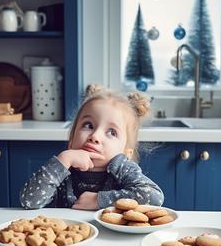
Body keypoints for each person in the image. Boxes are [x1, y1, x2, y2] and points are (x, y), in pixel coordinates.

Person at [20, 85, 164, 210]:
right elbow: (28, 201)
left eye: (111, 132)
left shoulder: (123, 168)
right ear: (71, 140)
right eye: (88, 125)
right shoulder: (63, 168)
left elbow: (154, 197)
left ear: (126, 153)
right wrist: (63, 160)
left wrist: (99, 200)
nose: (95, 136)